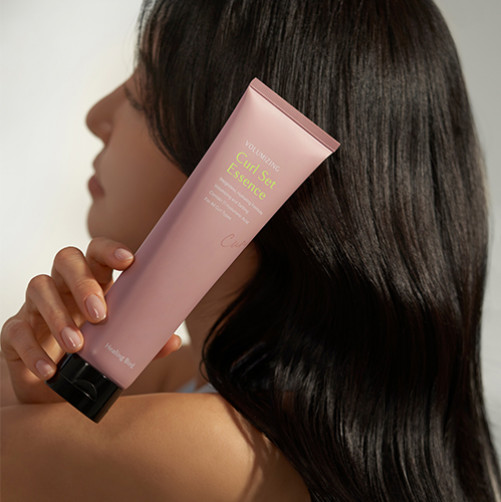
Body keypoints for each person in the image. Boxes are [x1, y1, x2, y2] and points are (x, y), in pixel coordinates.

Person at [1, 0, 500, 500]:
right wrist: (45, 381)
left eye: (141, 97)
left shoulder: (209, 448)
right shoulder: (205, 380)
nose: (96, 116)